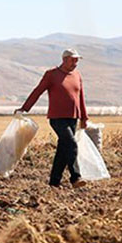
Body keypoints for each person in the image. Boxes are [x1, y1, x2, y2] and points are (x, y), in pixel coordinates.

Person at [15, 48, 89, 188]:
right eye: (73, 60)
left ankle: (54, 182)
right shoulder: (51, 75)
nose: (76, 63)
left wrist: (84, 117)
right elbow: (38, 91)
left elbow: (81, 98)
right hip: (57, 118)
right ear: (64, 59)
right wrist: (25, 108)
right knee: (71, 144)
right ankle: (75, 177)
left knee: (63, 149)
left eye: (77, 60)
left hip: (73, 117)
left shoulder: (77, 75)